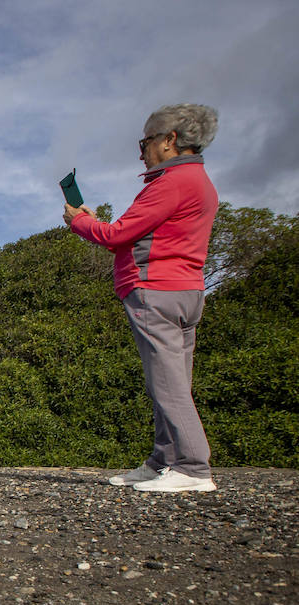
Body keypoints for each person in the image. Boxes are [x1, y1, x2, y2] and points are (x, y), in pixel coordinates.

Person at [64, 103, 219, 493]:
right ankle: (163, 460)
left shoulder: (171, 182)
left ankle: (193, 467)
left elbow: (118, 235)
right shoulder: (198, 181)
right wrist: (93, 220)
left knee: (166, 382)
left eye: (146, 141)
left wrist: (80, 221)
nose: (142, 151)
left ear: (170, 140)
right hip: (186, 288)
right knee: (171, 379)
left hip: (156, 289)